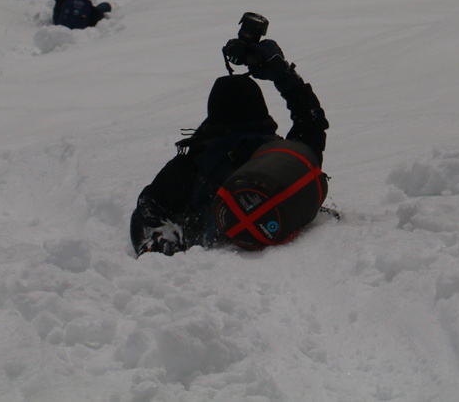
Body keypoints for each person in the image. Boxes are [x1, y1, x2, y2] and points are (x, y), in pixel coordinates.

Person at [130, 14, 329, 257]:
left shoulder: (194, 163)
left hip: (223, 258)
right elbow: (312, 119)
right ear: (261, 110)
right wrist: (282, 74)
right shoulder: (286, 154)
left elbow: (148, 207)